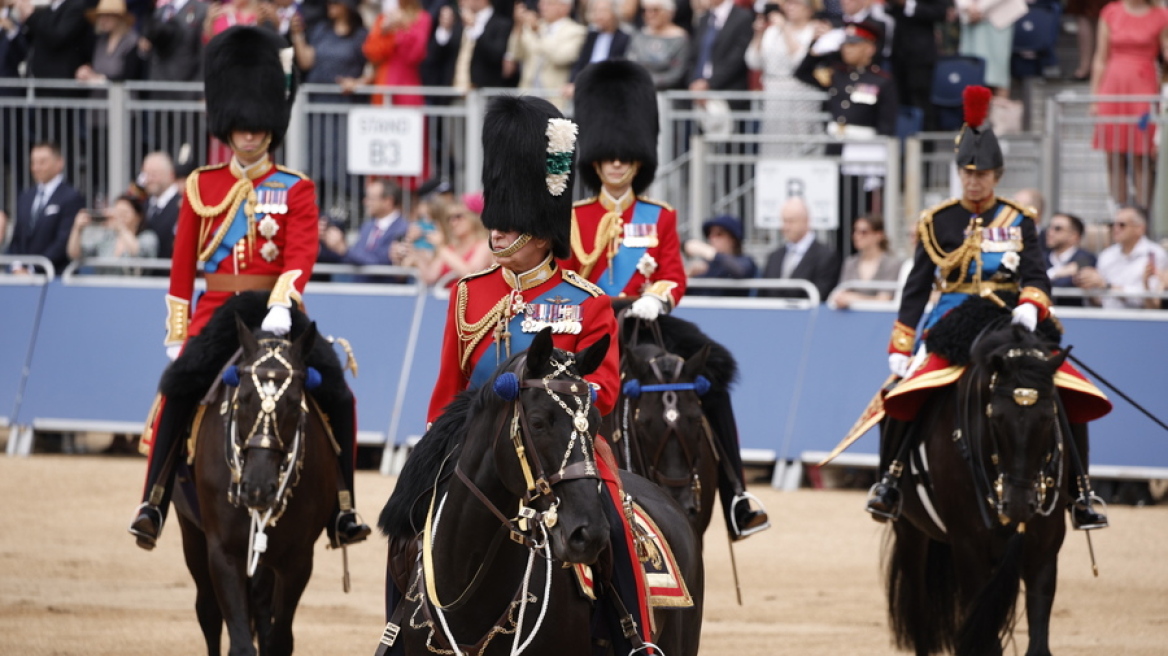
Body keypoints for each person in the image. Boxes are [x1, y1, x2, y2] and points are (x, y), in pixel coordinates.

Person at [380, 94, 653, 656]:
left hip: (562, 444)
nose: (496, 236)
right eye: (494, 226)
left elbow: (602, 388)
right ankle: (396, 628)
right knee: (409, 513)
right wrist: (437, 440)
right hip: (476, 446)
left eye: (509, 228)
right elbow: (448, 389)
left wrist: (539, 393)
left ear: (540, 229)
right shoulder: (467, 294)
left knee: (614, 516)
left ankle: (634, 633)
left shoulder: (587, 302)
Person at [128, 26, 371, 551]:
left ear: (271, 126)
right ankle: (154, 501)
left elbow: (301, 252)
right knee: (178, 388)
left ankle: (344, 508)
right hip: (217, 309)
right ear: (227, 126)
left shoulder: (296, 186)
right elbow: (180, 270)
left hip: (279, 308)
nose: (250, 135)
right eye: (241, 126)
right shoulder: (201, 185)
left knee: (338, 394)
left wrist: (283, 301)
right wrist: (178, 332)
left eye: (258, 126)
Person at [861, 85, 1112, 530]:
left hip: (1012, 316)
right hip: (954, 319)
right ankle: (891, 479)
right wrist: (902, 342)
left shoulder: (1019, 219)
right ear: (960, 173)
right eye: (967, 173)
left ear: (997, 175)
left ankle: (1081, 491)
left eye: (983, 174)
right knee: (903, 393)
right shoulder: (938, 221)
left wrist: (1032, 306)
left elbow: (1036, 274)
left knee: (1068, 386)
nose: (974, 181)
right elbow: (918, 289)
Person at [564, 60, 769, 540]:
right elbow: (569, 277)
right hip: (594, 323)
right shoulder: (575, 218)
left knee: (712, 372)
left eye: (625, 157)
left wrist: (658, 297)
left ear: (639, 161)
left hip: (647, 322)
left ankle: (736, 495)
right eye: (609, 157)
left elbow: (674, 274)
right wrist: (604, 305)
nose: (617, 164)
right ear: (595, 161)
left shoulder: (660, 217)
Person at [1089, 0, 1168, 210]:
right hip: (1112, 85)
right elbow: (1100, 57)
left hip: (1144, 85)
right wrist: (1095, 97)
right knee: (1113, 154)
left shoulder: (1161, 15)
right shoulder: (1111, 12)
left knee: (1141, 154)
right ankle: (1118, 211)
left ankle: (1142, 214)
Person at [746, 0, 819, 157]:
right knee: (773, 141)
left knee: (801, 140)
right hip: (773, 92)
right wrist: (758, 35)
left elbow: (799, 61)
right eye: (788, 4)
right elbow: (753, 62)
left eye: (796, 4)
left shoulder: (814, 30)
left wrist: (785, 27)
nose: (791, 7)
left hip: (800, 92)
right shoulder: (772, 31)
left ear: (809, 9)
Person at [6, 142, 85, 274]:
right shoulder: (26, 197)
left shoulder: (71, 197)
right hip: (21, 279)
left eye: (42, 162)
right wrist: (16, 266)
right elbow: (17, 238)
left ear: (59, 162)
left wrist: (32, 269)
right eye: (33, 162)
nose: (36, 167)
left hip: (55, 278)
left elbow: (63, 241)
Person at [1075, 205, 1168, 309]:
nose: (1116, 228)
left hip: (1139, 321)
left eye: (1122, 225)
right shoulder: (1107, 255)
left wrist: (1107, 286)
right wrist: (1089, 287)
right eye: (1113, 225)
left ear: (1140, 229)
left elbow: (1149, 298)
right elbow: (1101, 300)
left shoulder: (1154, 254)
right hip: (1107, 319)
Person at [505, 0, 587, 106]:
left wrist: (538, 32)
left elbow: (560, 57)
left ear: (564, 8)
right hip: (527, 96)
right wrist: (518, 27)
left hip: (554, 98)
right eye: (541, 3)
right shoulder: (534, 26)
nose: (542, 7)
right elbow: (516, 54)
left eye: (548, 3)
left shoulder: (576, 31)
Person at [760, 196, 842, 301]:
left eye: (791, 221)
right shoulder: (774, 256)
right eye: (784, 221)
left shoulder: (826, 256)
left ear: (806, 221)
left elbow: (821, 294)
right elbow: (763, 294)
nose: (786, 227)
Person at [886, 0, 947, 131]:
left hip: (921, 54)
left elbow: (940, 12)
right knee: (899, 100)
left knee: (921, 101)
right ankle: (902, 143)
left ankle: (926, 145)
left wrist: (906, 4)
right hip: (897, 52)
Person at [410, 190, 492, 286]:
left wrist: (441, 248)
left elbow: (470, 274)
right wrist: (416, 252)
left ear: (473, 217)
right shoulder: (450, 247)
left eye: (459, 216)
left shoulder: (485, 245)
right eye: (449, 218)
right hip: (449, 300)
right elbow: (430, 277)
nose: (453, 222)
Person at [687, 0, 753, 111]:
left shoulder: (743, 17)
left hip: (729, 94)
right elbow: (694, 56)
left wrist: (709, 83)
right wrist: (694, 83)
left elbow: (737, 58)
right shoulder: (704, 19)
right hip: (699, 96)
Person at [362, 0, 431, 107]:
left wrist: (403, 28)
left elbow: (416, 54)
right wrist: (384, 32)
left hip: (407, 87)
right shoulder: (384, 17)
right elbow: (371, 53)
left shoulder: (422, 18)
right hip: (383, 84)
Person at [827, 213, 900, 308]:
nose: (857, 236)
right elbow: (842, 294)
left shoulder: (891, 264)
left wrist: (853, 298)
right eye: (855, 231)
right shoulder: (850, 262)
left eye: (864, 232)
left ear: (878, 235)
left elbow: (885, 299)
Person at [955, 0, 1026, 95]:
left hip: (999, 15)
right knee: (971, 73)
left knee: (998, 75)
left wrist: (979, 8)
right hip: (971, 18)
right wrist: (967, 7)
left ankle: (999, 106)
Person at [66, 193, 159, 266]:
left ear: (138, 217)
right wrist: (77, 229)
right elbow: (75, 255)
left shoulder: (148, 237)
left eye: (124, 213)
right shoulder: (107, 237)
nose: (120, 217)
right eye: (117, 212)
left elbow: (138, 254)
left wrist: (121, 228)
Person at [684, 214, 758, 297]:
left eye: (719, 234)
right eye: (710, 234)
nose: (712, 238)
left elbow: (740, 271)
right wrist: (688, 274)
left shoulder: (745, 261)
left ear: (733, 239)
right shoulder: (706, 266)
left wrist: (709, 252)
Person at [565, 0, 629, 92]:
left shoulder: (624, 38)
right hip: (586, 85)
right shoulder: (591, 37)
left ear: (614, 13)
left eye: (603, 11)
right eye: (595, 11)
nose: (599, 16)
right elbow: (581, 62)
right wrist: (573, 82)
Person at [139, 0, 208, 85]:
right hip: (158, 84)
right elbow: (150, 47)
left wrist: (201, 90)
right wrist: (144, 46)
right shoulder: (160, 11)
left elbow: (203, 53)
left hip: (187, 86)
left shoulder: (202, 10)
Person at [625, 0, 690, 90]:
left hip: (668, 94)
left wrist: (648, 81)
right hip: (639, 91)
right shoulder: (638, 36)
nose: (649, 14)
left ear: (669, 12)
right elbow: (630, 63)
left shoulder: (680, 38)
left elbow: (677, 73)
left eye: (655, 10)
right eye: (645, 10)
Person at [75, 0, 145, 84]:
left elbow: (129, 75)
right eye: (101, 16)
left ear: (119, 18)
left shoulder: (132, 41)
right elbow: (94, 66)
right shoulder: (99, 40)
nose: (103, 20)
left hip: (121, 95)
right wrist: (86, 71)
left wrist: (100, 79)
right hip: (98, 95)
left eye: (108, 15)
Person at [1045, 211, 1097, 307]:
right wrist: (1056, 274)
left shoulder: (1086, 258)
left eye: (1058, 229)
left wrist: (1049, 276)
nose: (1050, 232)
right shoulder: (1041, 258)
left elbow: (1066, 284)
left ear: (1074, 236)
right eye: (1049, 227)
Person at [140, 151, 182, 258]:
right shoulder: (143, 205)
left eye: (154, 174)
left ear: (171, 175)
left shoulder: (182, 205)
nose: (149, 179)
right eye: (146, 174)